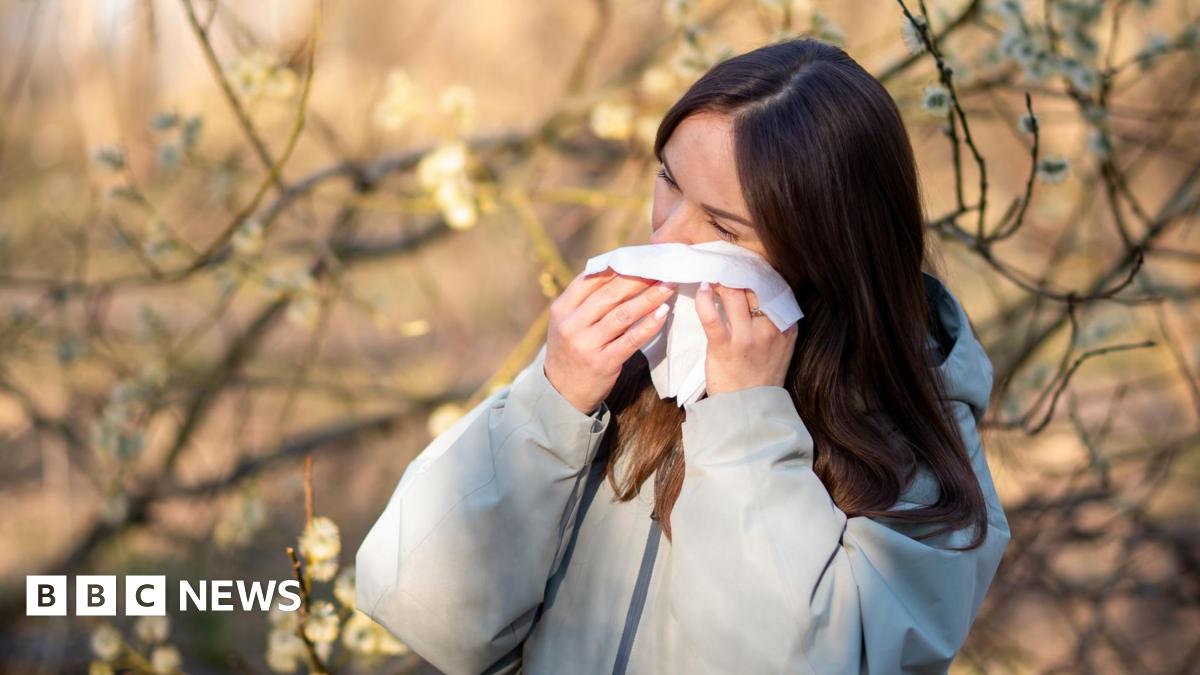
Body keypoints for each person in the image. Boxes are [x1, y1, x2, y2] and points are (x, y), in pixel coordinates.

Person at [355, 37, 1010, 674]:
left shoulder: (915, 466)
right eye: (668, 181)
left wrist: (748, 422)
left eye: (723, 227)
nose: (667, 235)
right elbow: (419, 605)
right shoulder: (633, 364)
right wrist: (551, 403)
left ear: (827, 253)